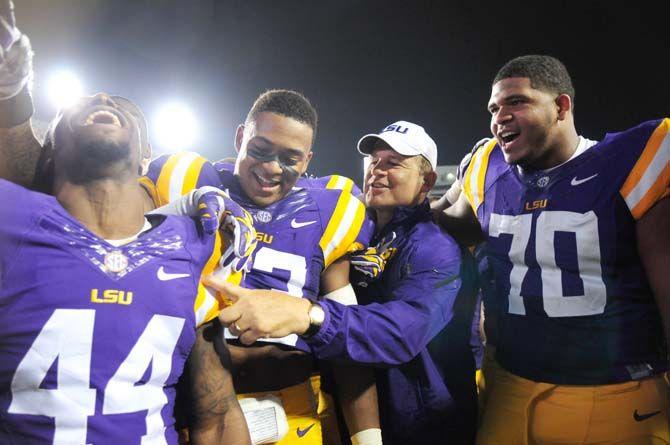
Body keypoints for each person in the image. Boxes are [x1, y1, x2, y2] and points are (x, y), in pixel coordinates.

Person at [0, 5, 251, 443]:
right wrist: (11, 91)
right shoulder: (13, 224)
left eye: (121, 106)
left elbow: (217, 413)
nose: (102, 99)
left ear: (145, 155)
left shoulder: (196, 243)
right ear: (51, 148)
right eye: (80, 106)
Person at [440, 54, 669, 444]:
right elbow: (449, 221)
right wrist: (401, 205)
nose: (500, 117)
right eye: (494, 108)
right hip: (509, 386)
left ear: (561, 107)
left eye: (517, 101)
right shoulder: (486, 167)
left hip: (613, 392)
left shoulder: (631, 159)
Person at [208, 120, 480, 444]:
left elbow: (399, 333)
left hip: (423, 423)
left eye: (393, 163)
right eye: (374, 161)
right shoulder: (357, 227)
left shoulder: (437, 248)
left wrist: (308, 316)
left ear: (427, 181)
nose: (377, 171)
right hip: (359, 412)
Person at [141, 90, 382, 445]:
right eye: (260, 149)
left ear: (307, 160)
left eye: (290, 158)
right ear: (240, 137)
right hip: (196, 410)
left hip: (292, 410)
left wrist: (369, 441)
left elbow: (346, 345)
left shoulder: (331, 211)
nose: (271, 167)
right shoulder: (188, 183)